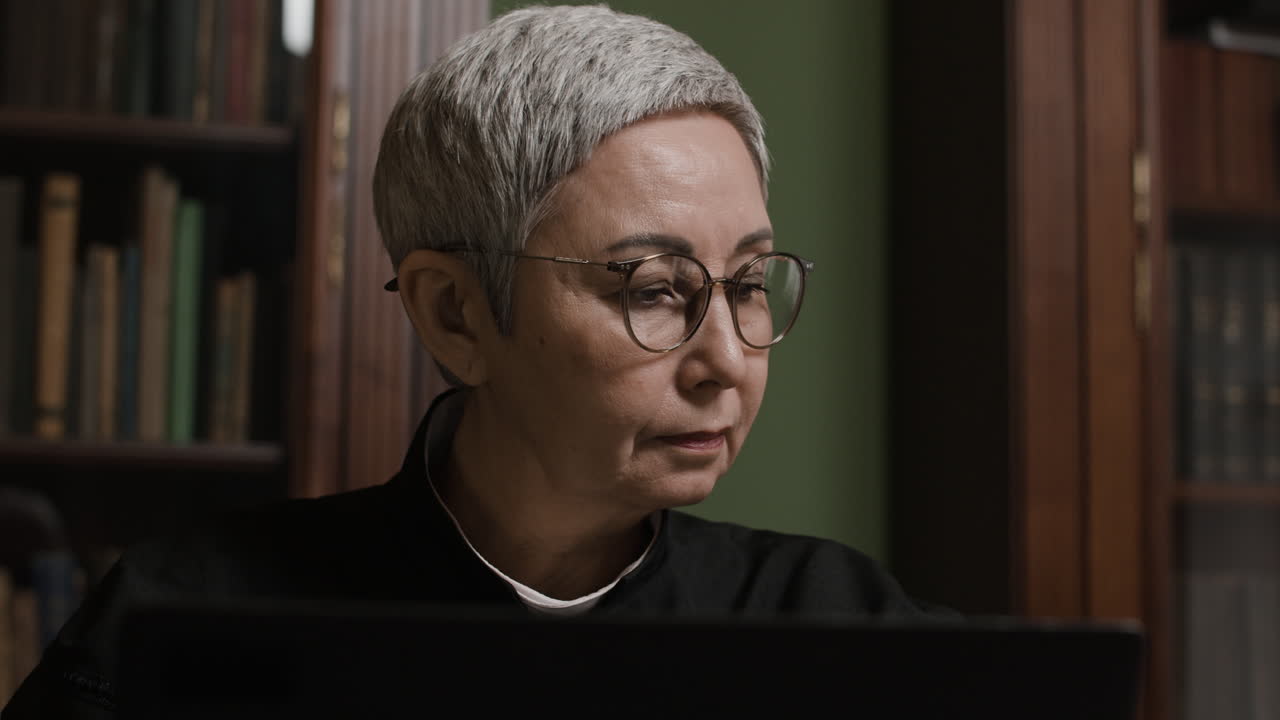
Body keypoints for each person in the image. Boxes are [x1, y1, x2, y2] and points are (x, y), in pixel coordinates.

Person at [3, 6, 943, 717]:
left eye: (746, 282)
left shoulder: (831, 625)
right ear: (454, 315)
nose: (726, 362)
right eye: (655, 287)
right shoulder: (186, 625)